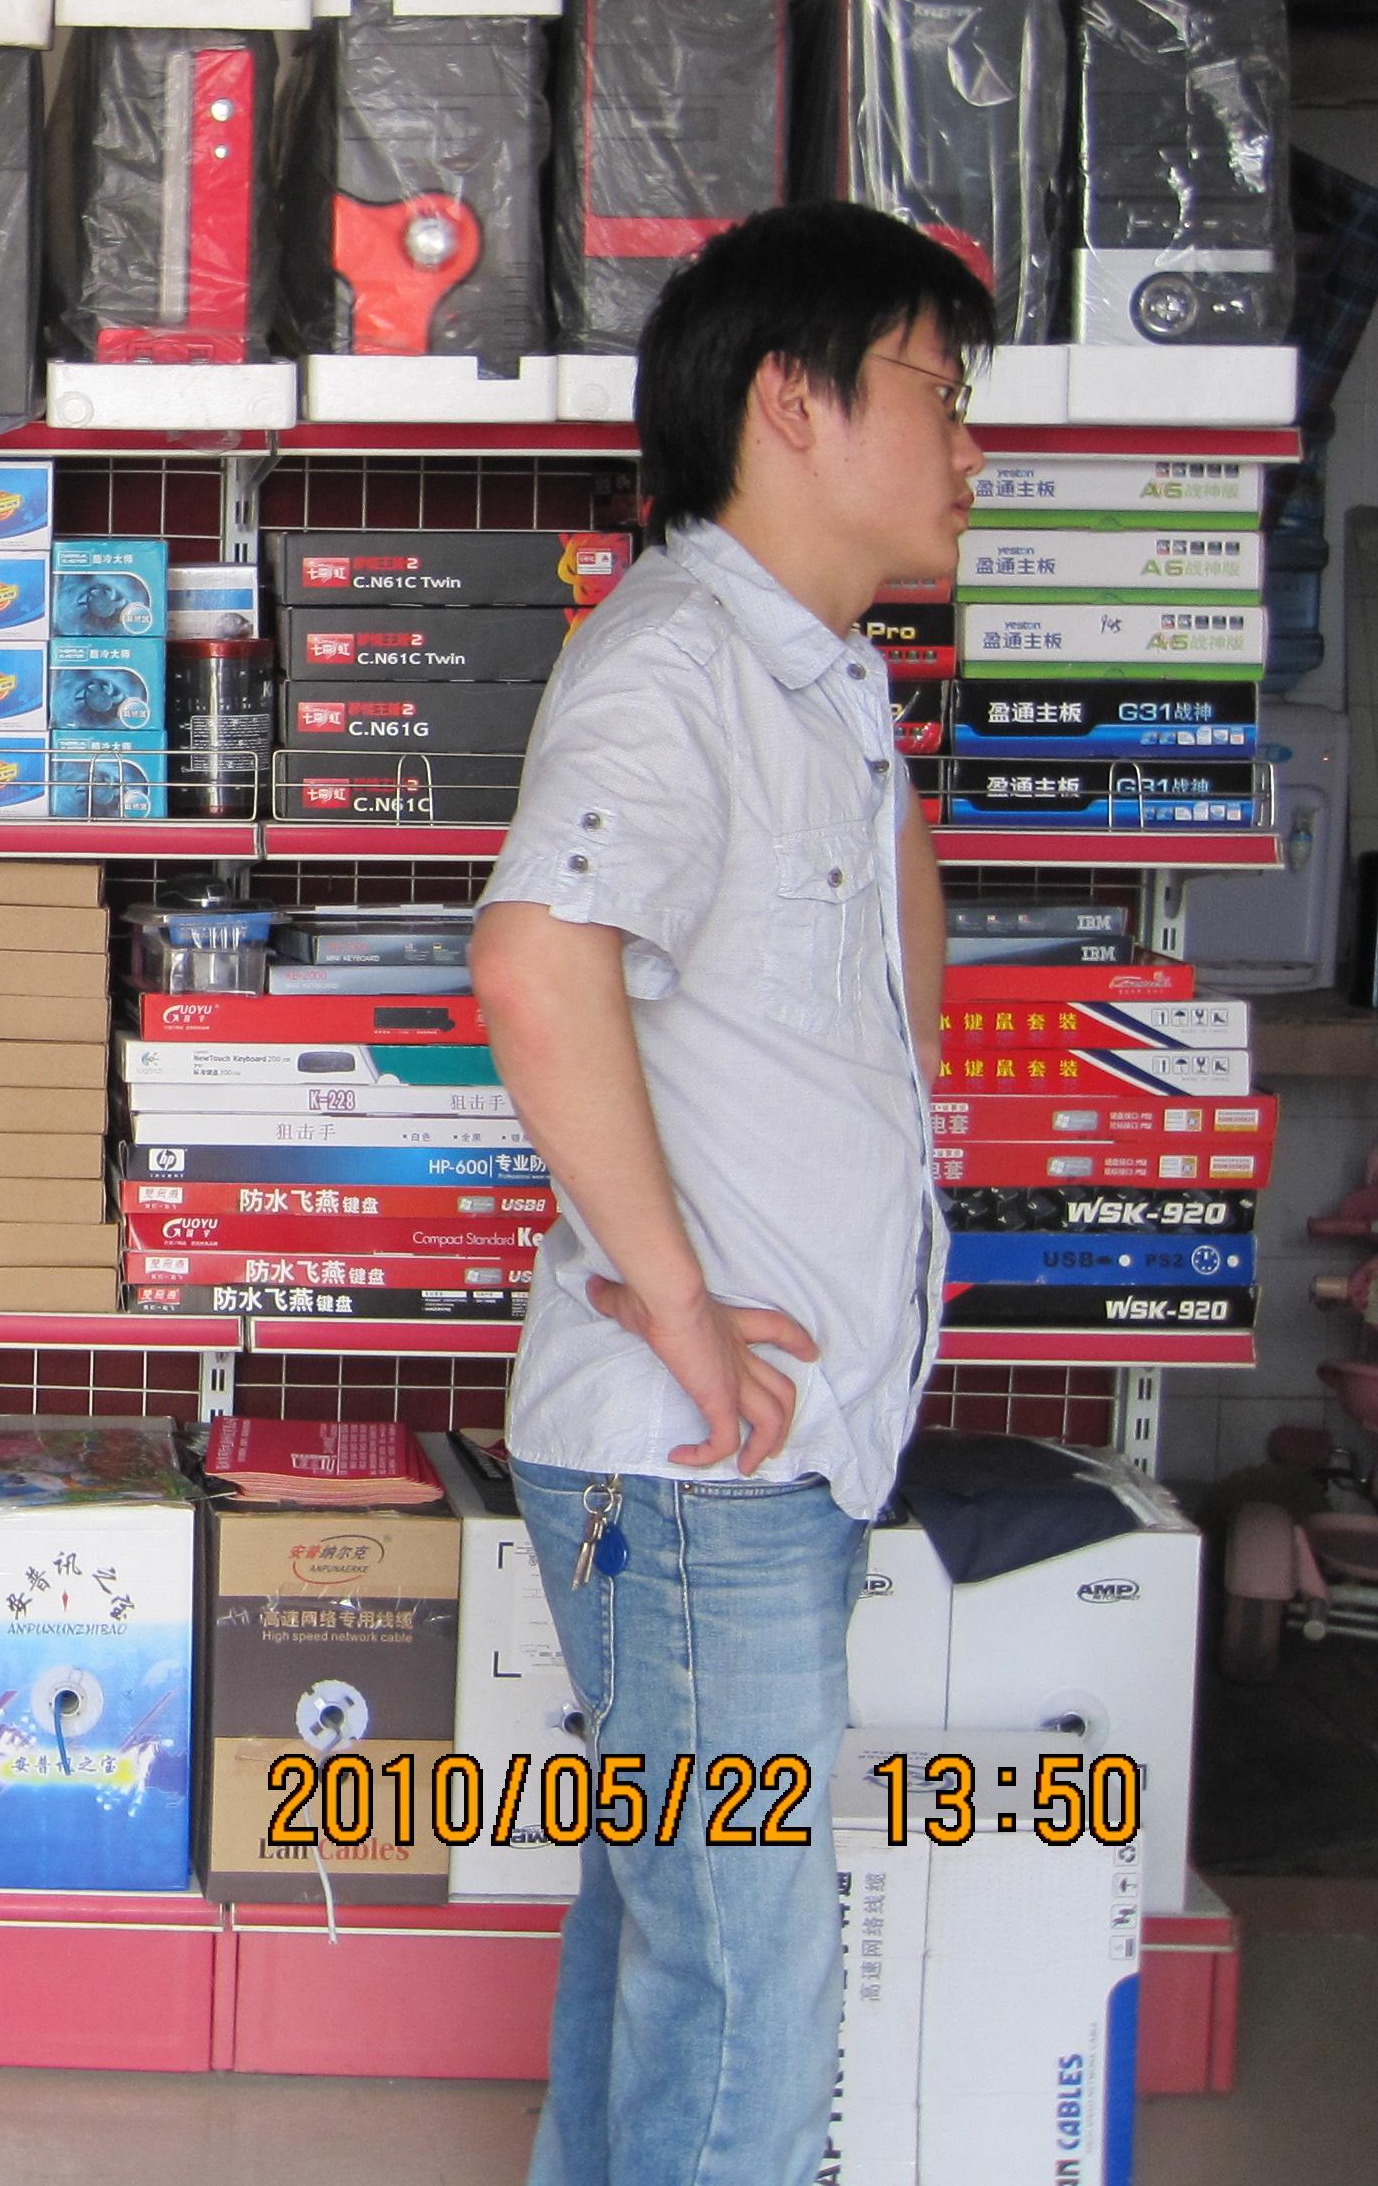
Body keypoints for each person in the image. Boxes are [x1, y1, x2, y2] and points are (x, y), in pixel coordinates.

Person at [467, 201, 992, 2186]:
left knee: (677, 1947)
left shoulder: (808, 672)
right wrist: (679, 1301)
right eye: (940, 391)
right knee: (746, 1992)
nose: (970, 447)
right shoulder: (684, 660)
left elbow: (885, 1013)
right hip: (705, 1464)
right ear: (792, 400)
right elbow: (538, 960)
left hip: (750, 1453)